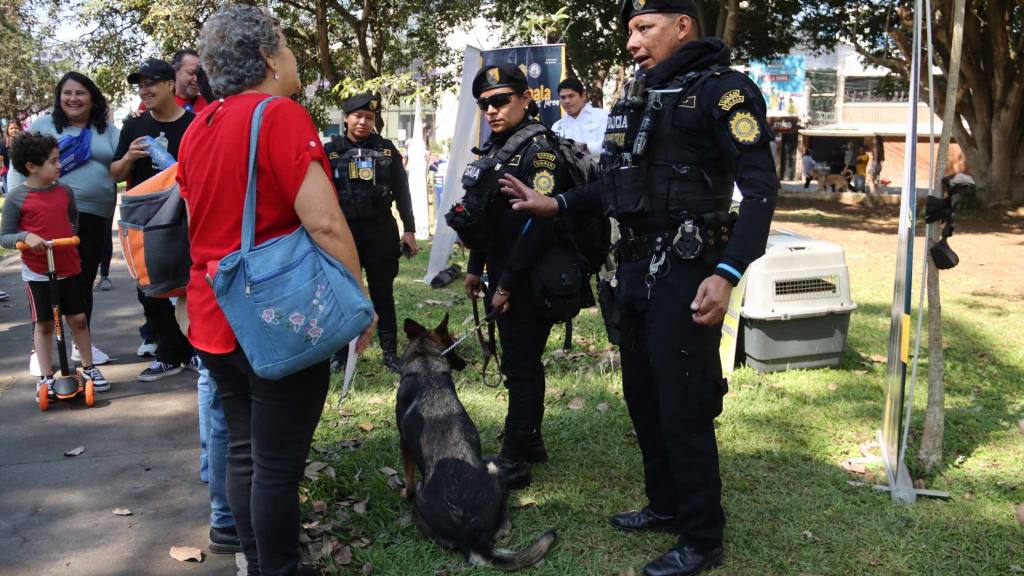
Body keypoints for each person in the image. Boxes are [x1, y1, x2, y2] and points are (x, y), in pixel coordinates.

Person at [500, 1, 778, 574]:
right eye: (629, 29)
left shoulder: (724, 92)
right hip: (630, 266)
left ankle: (702, 538)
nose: (632, 41)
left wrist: (727, 273)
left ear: (683, 26)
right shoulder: (637, 96)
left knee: (683, 402)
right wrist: (557, 202)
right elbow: (612, 184)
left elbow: (760, 191)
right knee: (643, 394)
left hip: (688, 265)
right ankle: (665, 505)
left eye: (644, 28)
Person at [178, 6, 375, 575]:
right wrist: (357, 304)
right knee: (279, 465)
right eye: (287, 48)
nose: (292, 59)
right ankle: (280, 570)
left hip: (216, 314)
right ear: (267, 58)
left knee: (243, 452)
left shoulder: (200, 127)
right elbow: (326, 224)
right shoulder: (279, 115)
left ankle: (258, 563)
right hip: (278, 315)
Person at [457, 63, 571, 490]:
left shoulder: (538, 151)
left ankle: (514, 459)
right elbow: (489, 219)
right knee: (520, 362)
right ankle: (532, 441)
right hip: (504, 268)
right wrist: (475, 271)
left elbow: (537, 226)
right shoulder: (498, 148)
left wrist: (504, 285)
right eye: (485, 103)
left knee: (521, 367)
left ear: (527, 99)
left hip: (531, 274)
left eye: (502, 100)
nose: (492, 109)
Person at [9, 72, 120, 371]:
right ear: (59, 97)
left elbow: (119, 166)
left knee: (80, 282)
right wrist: (21, 207)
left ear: (93, 97)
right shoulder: (45, 126)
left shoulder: (107, 130)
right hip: (47, 218)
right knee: (46, 285)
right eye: (67, 92)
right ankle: (40, 349)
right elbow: (21, 166)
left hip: (95, 216)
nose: (73, 98)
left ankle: (80, 344)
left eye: (81, 92)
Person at [0, 132, 109, 398]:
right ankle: (47, 377)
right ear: (31, 166)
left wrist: (68, 240)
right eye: (53, 161)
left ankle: (88, 367)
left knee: (78, 319)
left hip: (68, 265)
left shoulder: (64, 191)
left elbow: (73, 220)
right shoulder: (16, 197)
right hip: (38, 271)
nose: (60, 165)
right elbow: (5, 236)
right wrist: (26, 237)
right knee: (45, 323)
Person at [111, 58, 197, 382]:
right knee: (149, 290)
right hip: (145, 221)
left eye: (151, 83)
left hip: (183, 216)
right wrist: (129, 158)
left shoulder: (193, 125)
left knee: (189, 284)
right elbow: (115, 174)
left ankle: (194, 351)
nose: (145, 90)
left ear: (171, 85)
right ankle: (167, 354)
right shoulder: (134, 126)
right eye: (141, 84)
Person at [324, 92, 417, 373]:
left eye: (369, 117)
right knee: (344, 294)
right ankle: (341, 354)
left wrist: (410, 229)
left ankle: (389, 351)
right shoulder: (331, 152)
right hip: (344, 232)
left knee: (382, 293)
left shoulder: (387, 150)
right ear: (347, 118)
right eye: (358, 116)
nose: (363, 122)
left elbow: (402, 191)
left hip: (380, 232)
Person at [551, 78, 609, 160]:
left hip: (599, 170)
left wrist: (582, 147)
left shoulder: (602, 116)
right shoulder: (556, 127)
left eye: (571, 96)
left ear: (583, 96)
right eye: (563, 97)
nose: (567, 101)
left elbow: (609, 147)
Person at [1, 121, 23, 196]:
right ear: (7, 130)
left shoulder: (24, 140)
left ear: (20, 129)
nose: (13, 130)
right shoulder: (4, 142)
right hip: (7, 172)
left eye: (16, 128)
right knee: (11, 195)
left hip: (22, 172)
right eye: (11, 128)